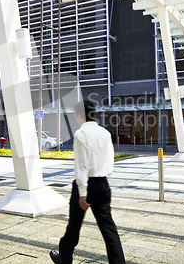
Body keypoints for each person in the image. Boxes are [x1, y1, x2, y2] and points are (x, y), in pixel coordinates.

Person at [50, 100, 126, 264]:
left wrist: (83, 193)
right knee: (108, 228)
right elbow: (109, 160)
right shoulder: (105, 133)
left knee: (74, 226)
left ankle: (64, 258)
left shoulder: (81, 134)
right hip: (103, 184)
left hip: (85, 186)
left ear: (80, 115)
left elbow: (82, 165)